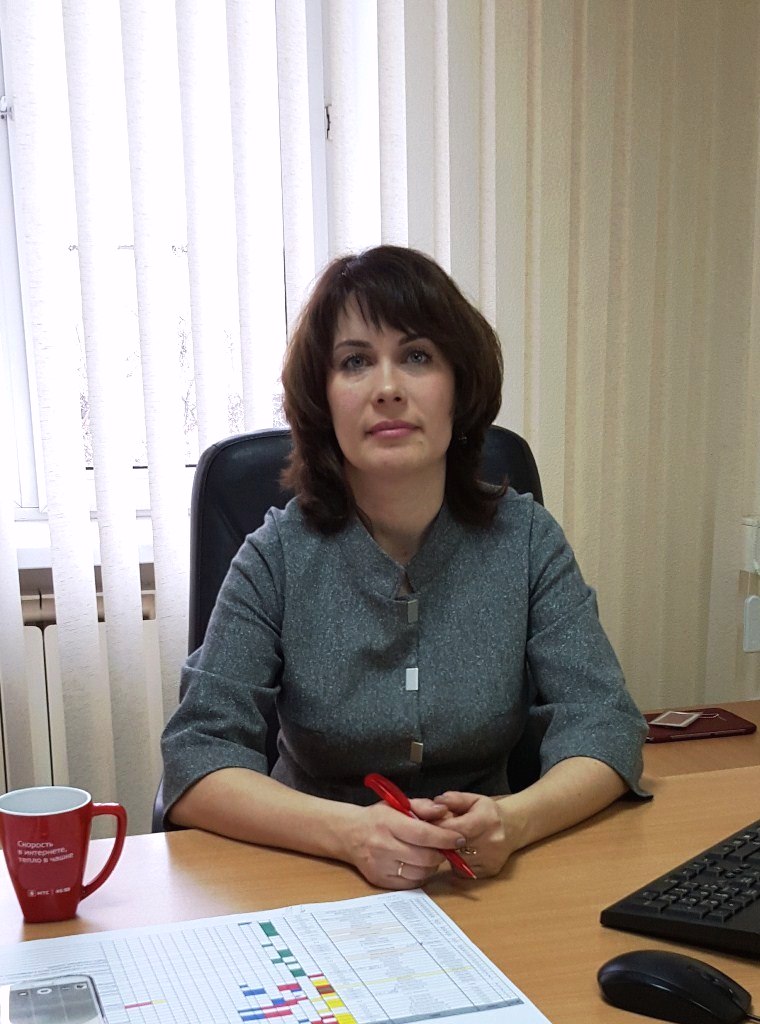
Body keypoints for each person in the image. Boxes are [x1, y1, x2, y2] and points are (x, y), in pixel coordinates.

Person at [161, 244, 648, 890]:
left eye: (416, 356)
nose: (387, 388)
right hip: (311, 878)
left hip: (486, 882)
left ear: (458, 387)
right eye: (355, 361)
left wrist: (514, 820)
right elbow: (196, 757)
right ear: (323, 399)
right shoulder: (276, 556)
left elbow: (606, 723)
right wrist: (349, 833)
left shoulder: (526, 540)